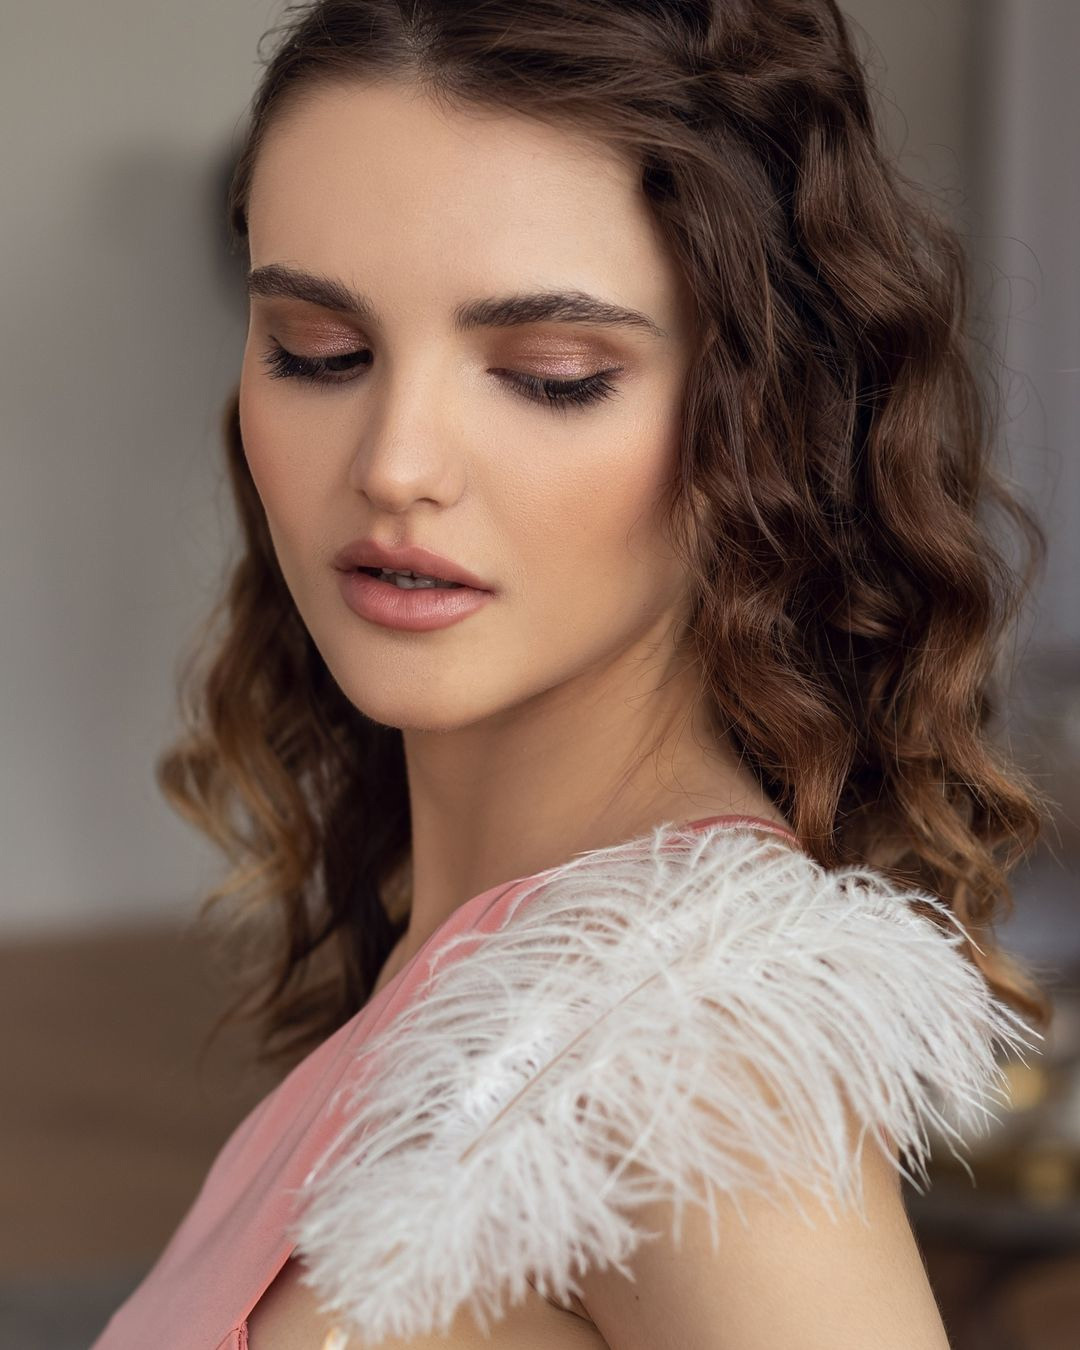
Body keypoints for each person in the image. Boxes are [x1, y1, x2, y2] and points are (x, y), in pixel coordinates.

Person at [92, 1, 1051, 1347]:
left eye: (551, 375)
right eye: (319, 351)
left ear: (759, 421)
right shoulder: (470, 954)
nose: (395, 463)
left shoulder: (696, 1055)